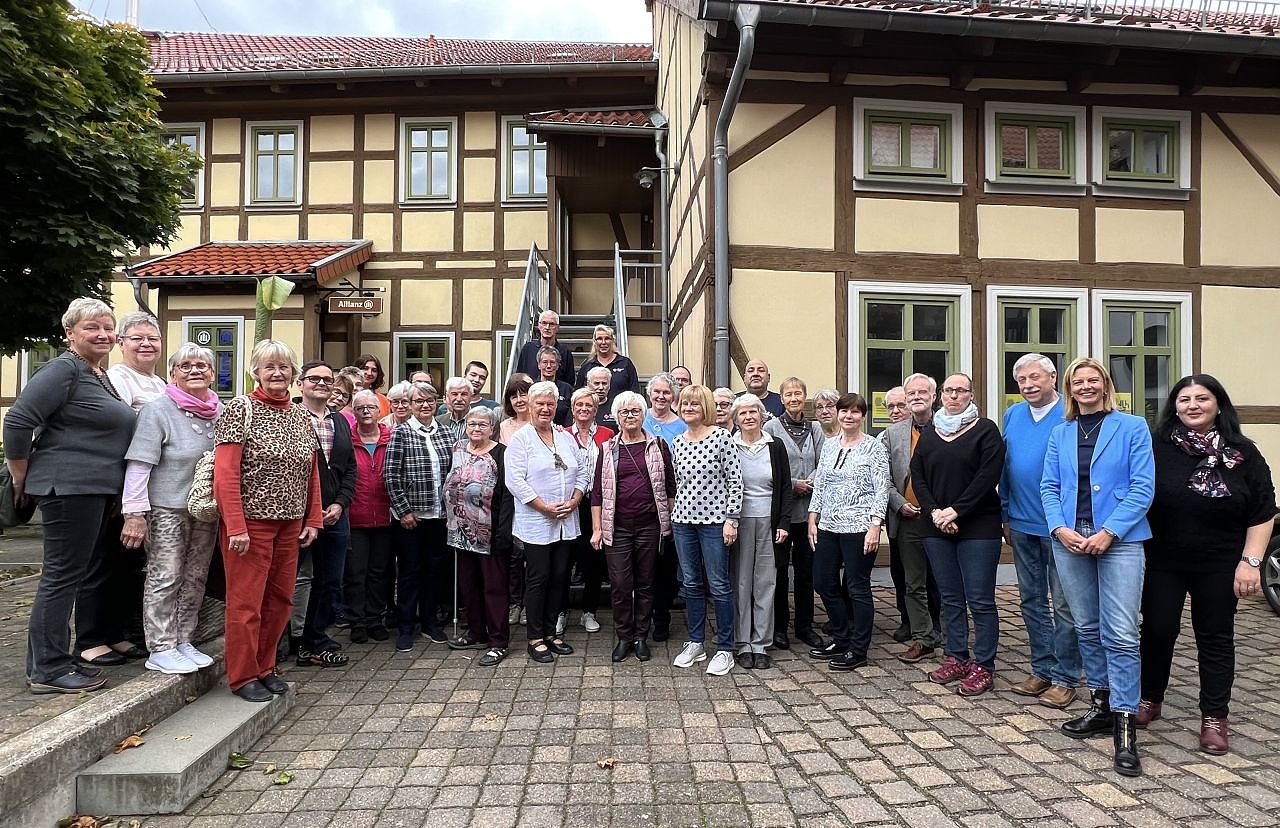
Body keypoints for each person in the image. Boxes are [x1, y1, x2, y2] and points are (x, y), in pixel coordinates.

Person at [5, 298, 137, 694]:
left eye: (108, 327)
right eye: (91, 327)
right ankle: (48, 668)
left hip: (90, 488)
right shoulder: (63, 369)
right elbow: (18, 420)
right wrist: (20, 476)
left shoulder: (95, 373)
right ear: (70, 333)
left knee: (69, 575)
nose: (103, 334)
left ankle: (51, 661)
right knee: (61, 577)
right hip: (69, 487)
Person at [1139, 375, 1275, 755]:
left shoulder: (1243, 452)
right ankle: (1150, 697)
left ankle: (1214, 717)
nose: (1193, 406)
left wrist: (1250, 562)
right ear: (1174, 406)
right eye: (1184, 399)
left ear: (1218, 405)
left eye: (1202, 398)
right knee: (1157, 631)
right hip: (1163, 559)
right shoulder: (1156, 446)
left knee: (1214, 637)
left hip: (1220, 561)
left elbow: (1262, 511)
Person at [1041, 356, 1154, 777]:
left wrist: (1110, 531)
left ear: (1105, 385)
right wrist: (1058, 528)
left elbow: (1143, 487)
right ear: (1069, 389)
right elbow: (1049, 486)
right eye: (1078, 382)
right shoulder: (1061, 431)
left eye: (1093, 380)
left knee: (1120, 632)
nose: (1085, 387)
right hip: (1071, 538)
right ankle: (1101, 703)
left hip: (1120, 540)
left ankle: (1125, 723)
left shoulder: (1133, 427)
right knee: (1086, 626)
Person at [214, 340, 322, 702]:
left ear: (294, 374)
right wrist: (236, 525)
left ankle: (265, 667)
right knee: (246, 603)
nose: (277, 373)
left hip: (290, 523)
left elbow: (311, 471)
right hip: (251, 524)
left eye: (284, 367)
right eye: (269, 367)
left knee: (280, 600)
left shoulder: (299, 414)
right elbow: (225, 474)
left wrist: (313, 517)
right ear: (256, 372)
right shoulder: (240, 409)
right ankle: (243, 675)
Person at [121, 343, 222, 674]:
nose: (195, 371)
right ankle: (160, 646)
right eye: (186, 365)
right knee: (165, 576)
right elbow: (139, 465)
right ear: (173, 373)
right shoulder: (158, 410)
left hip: (204, 511)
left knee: (195, 577)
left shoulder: (220, 412)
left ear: (212, 373)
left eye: (202, 365)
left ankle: (183, 639)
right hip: (166, 509)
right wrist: (134, 513)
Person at [908, 373, 1005, 698]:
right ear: (941, 395)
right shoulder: (931, 432)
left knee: (980, 599)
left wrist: (956, 511)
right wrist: (936, 512)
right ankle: (957, 657)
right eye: (948, 390)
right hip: (936, 526)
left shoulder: (985, 430)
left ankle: (984, 666)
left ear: (971, 395)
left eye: (960, 390)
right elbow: (918, 475)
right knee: (950, 597)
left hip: (979, 526)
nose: (953, 396)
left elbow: (987, 476)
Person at [1001, 354, 1080, 709]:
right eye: (1022, 380)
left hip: (1060, 527)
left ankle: (1066, 676)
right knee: (1031, 599)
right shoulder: (1014, 414)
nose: (1029, 385)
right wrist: (1004, 512)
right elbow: (1005, 466)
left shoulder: (1070, 412)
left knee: (1064, 603)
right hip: (1020, 522)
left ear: (1053, 377)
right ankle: (1042, 669)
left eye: (1035, 377)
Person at [505, 381, 590, 663]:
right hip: (537, 522)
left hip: (566, 519)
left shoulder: (565, 437)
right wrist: (543, 507)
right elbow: (514, 481)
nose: (545, 408)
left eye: (550, 404)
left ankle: (552, 632)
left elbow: (582, 472)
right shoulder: (521, 439)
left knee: (560, 576)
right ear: (529, 406)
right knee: (538, 578)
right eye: (540, 403)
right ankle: (535, 637)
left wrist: (575, 499)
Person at [101, 311, 168, 664]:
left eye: (152, 338)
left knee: (134, 566)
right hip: (127, 485)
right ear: (121, 343)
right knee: (114, 563)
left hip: (156, 488)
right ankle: (103, 635)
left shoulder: (160, 384)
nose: (146, 344)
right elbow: (123, 431)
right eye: (137, 338)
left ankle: (122, 632)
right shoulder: (118, 378)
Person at [807, 393, 890, 673]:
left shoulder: (874, 447)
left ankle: (858, 648)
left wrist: (875, 525)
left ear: (863, 416)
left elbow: (882, 488)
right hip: (828, 526)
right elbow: (820, 483)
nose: (848, 416)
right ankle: (841, 637)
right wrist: (812, 517)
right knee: (823, 582)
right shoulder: (830, 445)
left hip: (859, 528)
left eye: (855, 412)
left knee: (857, 587)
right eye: (844, 411)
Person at [591, 391, 674, 663]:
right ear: (616, 417)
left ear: (643, 415)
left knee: (647, 582)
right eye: (624, 412)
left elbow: (670, 486)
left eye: (635, 411)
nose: (630, 416)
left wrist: (670, 521)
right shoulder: (608, 449)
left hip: (649, 525)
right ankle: (624, 637)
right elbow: (598, 492)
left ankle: (640, 637)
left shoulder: (658, 445)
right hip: (618, 527)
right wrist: (597, 528)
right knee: (620, 584)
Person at [670, 385, 743, 677]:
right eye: (685, 403)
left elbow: (735, 481)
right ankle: (696, 642)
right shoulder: (677, 441)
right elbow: (678, 483)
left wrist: (731, 519)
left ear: (706, 408)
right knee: (691, 584)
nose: (688, 408)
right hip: (683, 522)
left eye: (695, 404)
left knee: (719, 585)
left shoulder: (721, 437)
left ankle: (725, 647)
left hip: (715, 523)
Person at [384, 381, 455, 653]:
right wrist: (403, 510)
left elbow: (454, 473)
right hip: (411, 518)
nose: (425, 405)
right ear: (411, 405)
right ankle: (405, 627)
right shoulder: (401, 433)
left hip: (440, 516)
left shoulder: (446, 433)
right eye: (418, 401)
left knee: (434, 572)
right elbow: (391, 475)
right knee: (409, 572)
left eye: (430, 400)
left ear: (437, 403)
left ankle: (429, 622)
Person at [294, 361, 356, 668]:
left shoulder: (340, 420)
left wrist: (340, 504)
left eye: (327, 380)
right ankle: (280, 643)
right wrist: (310, 509)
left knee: (330, 581)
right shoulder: (291, 417)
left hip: (335, 515)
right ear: (300, 383)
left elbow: (349, 468)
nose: (321, 384)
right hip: (299, 515)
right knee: (287, 580)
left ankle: (314, 638)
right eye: (314, 379)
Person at [444, 406, 514, 666]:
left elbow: (507, 496)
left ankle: (498, 641)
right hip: (460, 530)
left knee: (493, 588)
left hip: (490, 532)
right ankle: (476, 633)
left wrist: (503, 532)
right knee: (469, 586)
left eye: (482, 425)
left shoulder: (501, 453)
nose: (476, 429)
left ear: (492, 428)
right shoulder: (458, 449)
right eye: (472, 424)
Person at [881, 374, 943, 664]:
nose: (916, 397)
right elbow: (882, 478)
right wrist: (899, 504)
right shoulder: (892, 434)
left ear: (934, 396)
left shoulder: (949, 426)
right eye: (911, 393)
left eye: (922, 392)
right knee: (913, 582)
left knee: (945, 580)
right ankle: (922, 637)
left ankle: (949, 634)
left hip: (942, 517)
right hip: (908, 517)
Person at [729, 394, 794, 670]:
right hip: (739, 522)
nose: (748, 417)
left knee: (766, 583)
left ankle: (761, 643)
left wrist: (784, 523)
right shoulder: (728, 444)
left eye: (753, 411)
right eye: (742, 413)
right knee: (741, 582)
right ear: (736, 419)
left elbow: (786, 486)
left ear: (761, 414)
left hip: (769, 520)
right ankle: (742, 643)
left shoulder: (775, 445)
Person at [763, 377, 827, 651]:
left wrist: (808, 482)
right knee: (779, 572)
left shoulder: (816, 429)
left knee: (805, 572)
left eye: (798, 393)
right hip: (781, 515)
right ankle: (779, 627)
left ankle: (804, 626)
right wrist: (792, 484)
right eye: (788, 394)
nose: (793, 398)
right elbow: (767, 467)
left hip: (809, 514)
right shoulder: (771, 428)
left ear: (804, 397)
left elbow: (825, 463)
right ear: (781, 399)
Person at [560, 389, 613, 636]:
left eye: (588, 405)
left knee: (594, 559)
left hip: (596, 503)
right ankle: (560, 611)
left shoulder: (607, 434)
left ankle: (589, 612)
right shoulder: (561, 435)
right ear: (572, 409)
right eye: (579, 405)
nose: (584, 409)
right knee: (564, 559)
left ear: (596, 409)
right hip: (570, 504)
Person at [344, 390, 394, 645]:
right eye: (360, 407)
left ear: (379, 410)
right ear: (354, 412)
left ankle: (375, 619)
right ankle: (357, 622)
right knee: (356, 573)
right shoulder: (347, 440)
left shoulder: (391, 438)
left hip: (385, 516)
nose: (365, 411)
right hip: (356, 517)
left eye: (371, 407)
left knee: (380, 572)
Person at [881, 385, 912, 639]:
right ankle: (907, 619)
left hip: (930, 514)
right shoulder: (885, 437)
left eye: (901, 405)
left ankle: (936, 620)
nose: (895, 411)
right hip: (898, 514)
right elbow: (883, 479)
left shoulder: (931, 432)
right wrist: (899, 503)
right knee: (900, 571)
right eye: (890, 406)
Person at [574, 324, 638, 409]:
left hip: (620, 412)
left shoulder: (625, 363)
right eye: (599, 339)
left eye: (607, 338)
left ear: (612, 341)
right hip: (594, 412)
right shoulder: (587, 366)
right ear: (595, 342)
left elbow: (635, 392)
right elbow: (578, 394)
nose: (603, 342)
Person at [516, 310, 576, 387]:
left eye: (551, 324)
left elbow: (570, 381)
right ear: (539, 325)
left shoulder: (565, 352)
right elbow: (520, 377)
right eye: (544, 323)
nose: (547, 327)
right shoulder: (527, 349)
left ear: (557, 328)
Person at [534, 346, 575, 427]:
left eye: (552, 362)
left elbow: (571, 415)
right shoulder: (531, 388)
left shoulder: (567, 389)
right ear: (539, 365)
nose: (549, 366)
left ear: (557, 366)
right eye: (545, 362)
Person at [643, 373, 687, 445]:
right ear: (650, 393)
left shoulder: (682, 427)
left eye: (666, 393)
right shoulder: (640, 418)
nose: (661, 396)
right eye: (657, 391)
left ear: (673, 397)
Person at [436, 377, 476, 441]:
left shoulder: (482, 421)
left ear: (471, 397)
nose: (459, 399)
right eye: (454, 394)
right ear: (447, 396)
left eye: (464, 394)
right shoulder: (438, 421)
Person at [498, 373, 534, 445]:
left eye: (523, 395)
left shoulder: (540, 423)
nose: (519, 400)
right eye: (514, 397)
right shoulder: (504, 426)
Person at [355, 353, 392, 419]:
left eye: (374, 370)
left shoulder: (383, 400)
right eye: (365, 368)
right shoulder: (348, 396)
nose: (369, 373)